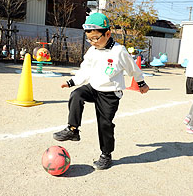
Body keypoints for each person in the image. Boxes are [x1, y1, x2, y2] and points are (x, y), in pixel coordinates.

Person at [53, 13, 149, 169]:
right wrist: (71, 82)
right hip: (94, 88)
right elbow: (85, 70)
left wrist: (141, 83)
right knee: (76, 94)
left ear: (108, 34)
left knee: (105, 124)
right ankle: (72, 130)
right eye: (89, 39)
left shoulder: (119, 51)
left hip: (110, 94)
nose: (92, 42)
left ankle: (106, 155)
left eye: (96, 38)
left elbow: (133, 69)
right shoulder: (92, 51)